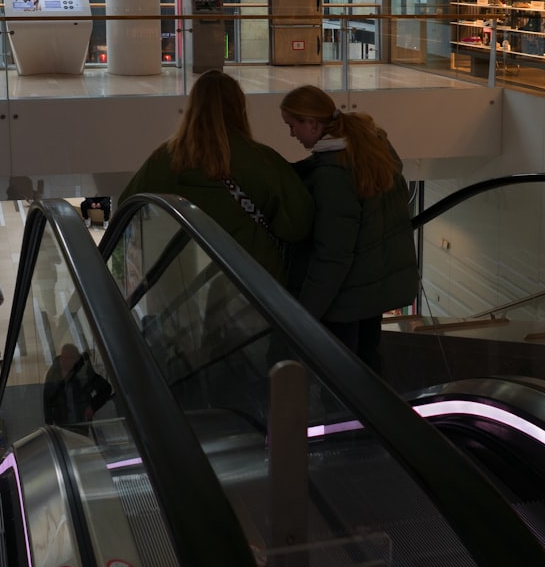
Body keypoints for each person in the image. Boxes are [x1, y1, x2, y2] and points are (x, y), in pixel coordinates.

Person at [119, 70, 314, 280]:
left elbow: (127, 208)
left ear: (192, 108)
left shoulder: (164, 160)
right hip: (252, 287)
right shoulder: (263, 161)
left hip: (181, 285)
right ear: (239, 108)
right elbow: (298, 225)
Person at [279, 85, 420, 373]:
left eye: (292, 125)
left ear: (312, 123)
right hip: (372, 291)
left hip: (345, 300)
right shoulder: (369, 147)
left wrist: (304, 313)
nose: (291, 134)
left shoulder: (333, 176)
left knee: (341, 382)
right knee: (368, 366)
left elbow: (333, 255)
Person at [43, 344, 113, 426]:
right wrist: (49, 423)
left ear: (76, 359)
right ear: (61, 358)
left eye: (72, 359)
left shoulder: (84, 372)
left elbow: (106, 389)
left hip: (82, 422)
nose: (67, 361)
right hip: (62, 423)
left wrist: (92, 407)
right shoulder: (53, 374)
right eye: (65, 358)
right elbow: (47, 399)